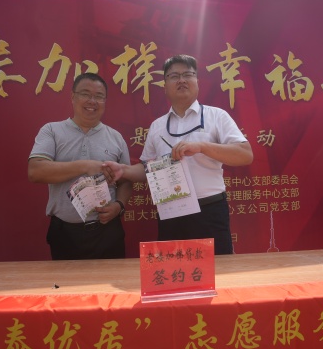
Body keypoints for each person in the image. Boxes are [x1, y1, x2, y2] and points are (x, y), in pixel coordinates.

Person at [104, 54, 253, 255]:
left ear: (197, 81)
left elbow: (245, 154)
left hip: (209, 211)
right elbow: (147, 168)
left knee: (218, 269)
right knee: (173, 270)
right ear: (165, 86)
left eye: (187, 75)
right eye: (174, 76)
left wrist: (201, 147)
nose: (181, 80)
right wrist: (123, 171)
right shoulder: (157, 126)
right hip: (170, 211)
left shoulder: (216, 116)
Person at [28, 73, 132, 260]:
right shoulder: (52, 131)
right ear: (72, 96)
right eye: (85, 94)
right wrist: (85, 166)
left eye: (99, 96)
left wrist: (119, 206)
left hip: (107, 230)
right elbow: (35, 171)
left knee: (111, 279)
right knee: (66, 279)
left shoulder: (116, 137)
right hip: (65, 233)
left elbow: (126, 181)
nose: (92, 101)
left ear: (105, 101)